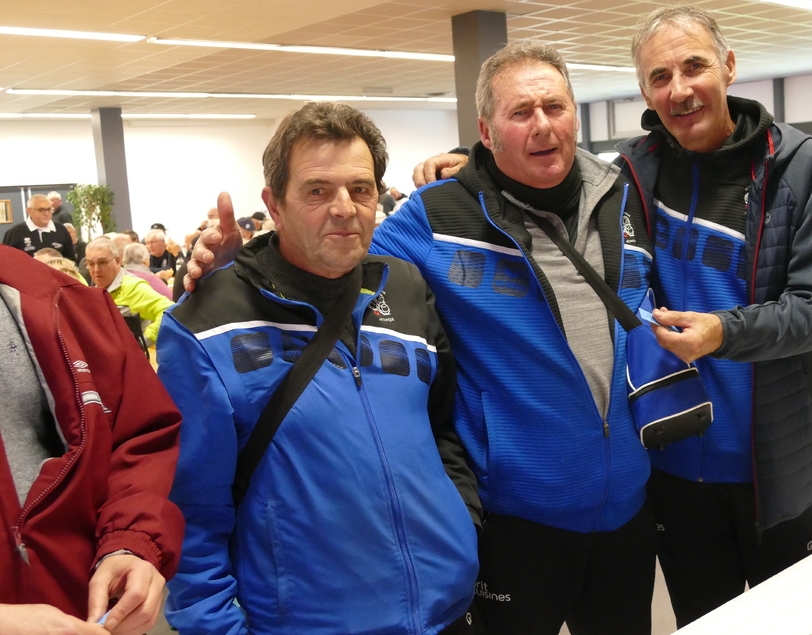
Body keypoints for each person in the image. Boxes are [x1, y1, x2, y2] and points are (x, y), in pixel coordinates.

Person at [188, 41, 658, 635]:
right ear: (487, 131)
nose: (542, 125)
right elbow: (332, 258)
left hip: (628, 505)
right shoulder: (435, 217)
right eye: (520, 112)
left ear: (575, 115)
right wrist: (236, 272)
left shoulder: (624, 197)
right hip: (517, 517)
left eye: (554, 107)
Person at [160, 101, 480, 635]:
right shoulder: (205, 324)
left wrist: (461, 524)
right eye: (317, 190)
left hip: (446, 608)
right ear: (274, 204)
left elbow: (443, 426)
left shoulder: (404, 287)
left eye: (360, 188)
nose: (344, 208)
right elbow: (189, 513)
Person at [615, 5, 812, 627]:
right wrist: (468, 168)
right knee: (703, 621)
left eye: (694, 66)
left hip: (779, 466)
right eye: (659, 76)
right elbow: (542, 181)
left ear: (729, 66)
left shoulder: (798, 164)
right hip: (674, 465)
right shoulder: (630, 172)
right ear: (645, 91)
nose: (679, 89)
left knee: (792, 623)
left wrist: (725, 332)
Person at [0, 245, 184, 635]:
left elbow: (136, 435)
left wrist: (129, 541)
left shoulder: (62, 299)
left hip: (90, 612)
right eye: (93, 263)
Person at [85, 237, 172, 347]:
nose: (96, 269)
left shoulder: (132, 287)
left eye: (102, 262)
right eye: (91, 264)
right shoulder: (93, 291)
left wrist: (142, 342)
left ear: (117, 261)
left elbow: (170, 311)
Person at [2, 194, 76, 261]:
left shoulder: (61, 230)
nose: (46, 213)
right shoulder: (15, 233)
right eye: (41, 210)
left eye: (49, 209)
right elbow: (6, 261)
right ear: (29, 211)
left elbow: (70, 259)